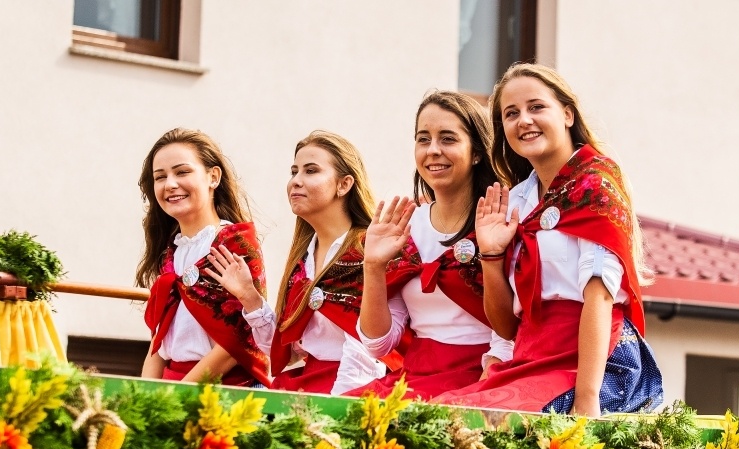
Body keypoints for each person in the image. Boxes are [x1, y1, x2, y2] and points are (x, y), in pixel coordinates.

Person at [434, 63, 663, 416]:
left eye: (536, 107)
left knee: (486, 423)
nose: (523, 120)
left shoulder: (596, 183)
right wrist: (491, 256)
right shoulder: (517, 201)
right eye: (511, 114)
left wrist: (587, 400)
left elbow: (599, 297)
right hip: (533, 356)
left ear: (568, 114)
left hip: (593, 361)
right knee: (440, 413)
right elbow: (507, 327)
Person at [346, 91, 514, 400]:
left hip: (480, 375)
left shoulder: (499, 219)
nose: (433, 150)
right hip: (413, 377)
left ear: (476, 151)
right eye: (423, 139)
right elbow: (378, 345)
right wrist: (373, 266)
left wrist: (491, 377)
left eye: (448, 139)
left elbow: (515, 327)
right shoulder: (405, 227)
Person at [204, 130, 396, 394]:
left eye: (311, 171)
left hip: (354, 389)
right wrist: (249, 297)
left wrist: (339, 407)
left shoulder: (366, 249)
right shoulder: (303, 257)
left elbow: (364, 350)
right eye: (294, 171)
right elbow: (288, 351)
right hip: (307, 382)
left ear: (344, 184)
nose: (295, 181)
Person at [138, 128, 269, 386]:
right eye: (160, 177)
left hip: (225, 388)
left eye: (182, 172)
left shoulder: (234, 242)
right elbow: (159, 339)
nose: (170, 184)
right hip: (172, 384)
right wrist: (146, 393)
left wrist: (178, 395)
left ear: (213, 177)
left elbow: (235, 340)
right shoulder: (171, 252)